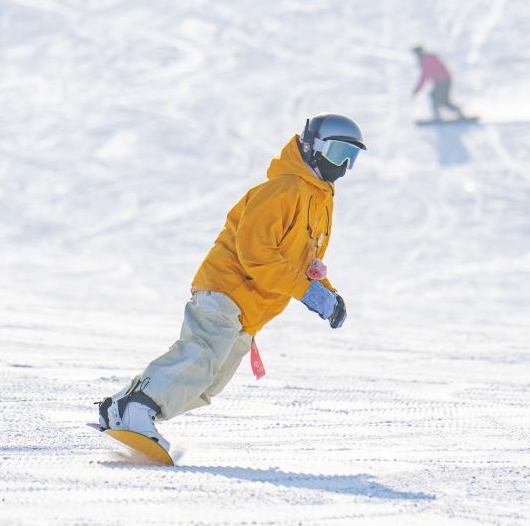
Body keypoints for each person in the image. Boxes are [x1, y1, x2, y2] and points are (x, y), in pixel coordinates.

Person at [97, 114, 366, 451]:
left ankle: (120, 408)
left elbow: (302, 264)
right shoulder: (284, 189)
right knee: (201, 357)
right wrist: (306, 292)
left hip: (250, 310)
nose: (342, 164)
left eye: (351, 158)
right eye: (338, 152)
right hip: (227, 290)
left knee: (209, 381)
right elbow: (257, 254)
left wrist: (327, 294)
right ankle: (137, 409)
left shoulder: (319, 201)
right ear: (313, 147)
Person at [412, 46, 465, 121]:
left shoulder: (426, 60)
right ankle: (456, 113)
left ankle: (438, 116)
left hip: (442, 81)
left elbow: (424, 76)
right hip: (443, 80)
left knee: (436, 97)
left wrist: (417, 89)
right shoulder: (428, 58)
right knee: (441, 99)